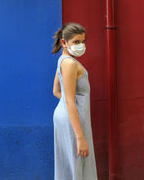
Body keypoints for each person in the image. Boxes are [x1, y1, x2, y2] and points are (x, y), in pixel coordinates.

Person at [52, 22, 98, 180]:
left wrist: (71, 105)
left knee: (69, 167)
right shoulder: (70, 64)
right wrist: (80, 138)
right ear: (64, 42)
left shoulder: (62, 60)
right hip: (73, 120)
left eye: (83, 41)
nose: (81, 45)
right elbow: (70, 101)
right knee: (78, 166)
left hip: (63, 116)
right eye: (76, 42)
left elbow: (57, 91)